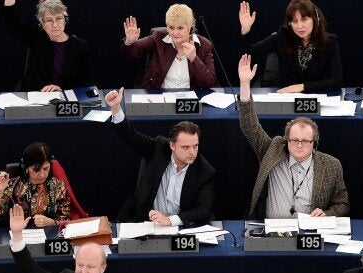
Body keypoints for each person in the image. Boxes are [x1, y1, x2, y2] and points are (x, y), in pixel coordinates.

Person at [238, 54, 349, 219]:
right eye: (294, 140)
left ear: (314, 143)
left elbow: (343, 205)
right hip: (271, 230)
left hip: (308, 233)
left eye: (305, 141)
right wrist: (245, 84)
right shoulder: (272, 150)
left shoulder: (331, 166)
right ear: (286, 140)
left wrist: (326, 214)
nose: (299, 145)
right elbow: (250, 127)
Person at [104, 88, 216, 226]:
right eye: (185, 147)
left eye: (195, 146)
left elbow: (202, 210)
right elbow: (132, 137)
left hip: (181, 227)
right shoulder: (158, 148)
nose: (192, 152)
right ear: (172, 146)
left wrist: (170, 220)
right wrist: (115, 108)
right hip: (146, 221)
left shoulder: (205, 172)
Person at [8, 205, 135, 273]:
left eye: (90, 266)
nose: (83, 271)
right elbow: (31, 272)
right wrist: (17, 234)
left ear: (103, 267)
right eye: (80, 265)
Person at [238, 0, 342, 92]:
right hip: (284, 96)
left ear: (315, 19)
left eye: (304, 19)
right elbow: (251, 54)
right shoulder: (283, 35)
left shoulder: (329, 42)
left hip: (316, 98)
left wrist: (303, 86)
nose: (300, 26)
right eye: (294, 21)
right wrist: (246, 29)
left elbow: (336, 81)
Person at [0, 0, 94, 92]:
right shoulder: (37, 39)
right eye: (49, 20)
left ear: (65, 19)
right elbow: (12, 23)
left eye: (59, 18)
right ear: (42, 24)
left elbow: (86, 81)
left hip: (66, 98)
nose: (55, 25)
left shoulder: (80, 46)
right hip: (37, 95)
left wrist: (60, 89)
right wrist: (9, 2)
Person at [121, 4, 216, 89]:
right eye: (171, 27)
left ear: (191, 26)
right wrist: (129, 42)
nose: (175, 33)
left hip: (190, 102)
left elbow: (209, 83)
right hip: (159, 97)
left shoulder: (204, 45)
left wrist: (194, 59)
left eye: (180, 28)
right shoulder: (158, 37)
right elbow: (132, 51)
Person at [0, 142, 70, 227]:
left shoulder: (58, 186)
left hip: (49, 235)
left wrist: (51, 222)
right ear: (26, 168)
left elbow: (66, 220)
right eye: (36, 170)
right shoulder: (13, 185)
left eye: (46, 168)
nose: (42, 175)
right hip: (17, 234)